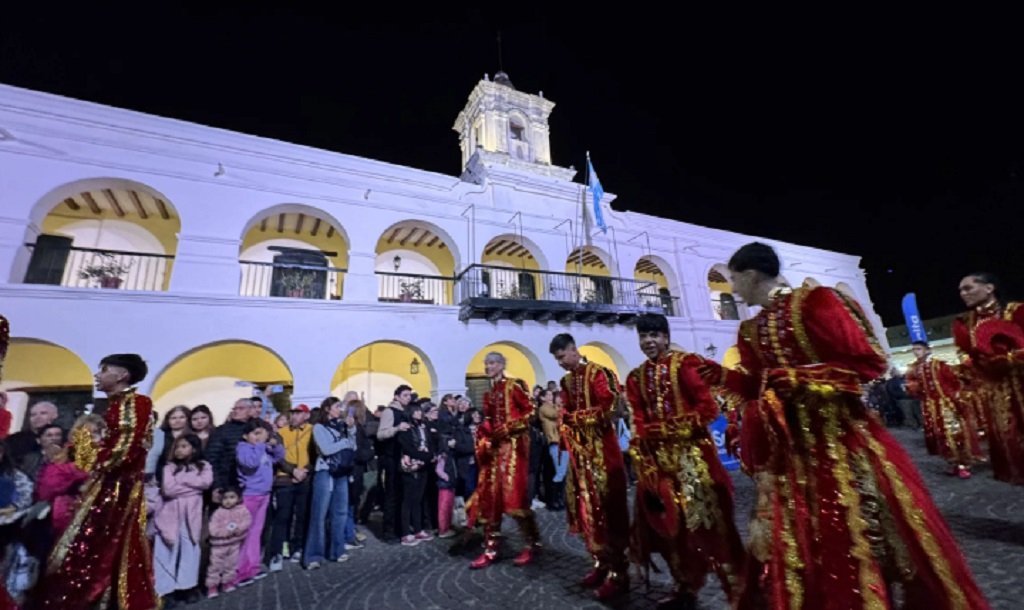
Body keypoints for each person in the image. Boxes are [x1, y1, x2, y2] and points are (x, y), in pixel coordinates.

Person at [726, 242, 989, 610]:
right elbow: (758, 386)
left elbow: (869, 364)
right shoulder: (751, 330)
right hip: (791, 454)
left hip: (842, 444)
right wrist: (721, 377)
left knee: (856, 535)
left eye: (734, 279)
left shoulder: (816, 302)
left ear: (751, 275)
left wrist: (804, 378)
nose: (733, 289)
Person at [625, 315, 746, 609]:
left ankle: (740, 593)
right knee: (671, 529)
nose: (648, 341)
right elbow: (639, 419)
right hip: (660, 468)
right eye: (643, 336)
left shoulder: (686, 364)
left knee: (712, 527)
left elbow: (707, 409)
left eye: (654, 335)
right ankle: (685, 586)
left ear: (666, 337)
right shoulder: (636, 377)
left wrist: (667, 429)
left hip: (694, 462)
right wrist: (642, 449)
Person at [37, 353, 160, 610]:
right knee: (96, 550)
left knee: (96, 549)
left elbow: (122, 452)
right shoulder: (117, 405)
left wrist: (89, 453)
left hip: (116, 492)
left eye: (104, 369)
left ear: (122, 375)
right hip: (108, 488)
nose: (98, 374)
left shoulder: (135, 403)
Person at [548, 333, 630, 600]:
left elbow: (612, 408)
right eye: (557, 359)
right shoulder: (566, 381)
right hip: (580, 457)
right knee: (586, 511)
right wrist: (567, 420)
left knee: (609, 511)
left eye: (562, 356)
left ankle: (619, 572)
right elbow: (564, 414)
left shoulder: (599, 373)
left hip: (603, 455)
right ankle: (599, 561)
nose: (560, 363)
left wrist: (575, 418)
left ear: (574, 350)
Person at [467, 352, 540, 569]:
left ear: (501, 364)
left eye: (492, 363)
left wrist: (508, 428)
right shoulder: (489, 394)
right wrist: (485, 436)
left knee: (515, 498)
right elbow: (488, 420)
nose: (488, 367)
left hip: (514, 451)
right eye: (486, 363)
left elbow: (531, 411)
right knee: (491, 499)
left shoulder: (514, 385)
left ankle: (531, 543)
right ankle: (491, 547)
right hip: (495, 452)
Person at [953, 272, 1024, 485]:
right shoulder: (965, 324)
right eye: (960, 291)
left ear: (989, 288)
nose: (963, 294)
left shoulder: (1016, 311)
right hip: (997, 395)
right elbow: (969, 360)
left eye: (968, 288)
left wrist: (1010, 358)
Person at [904, 341, 983, 477]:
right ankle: (953, 463)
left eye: (919, 349)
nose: (916, 352)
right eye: (914, 350)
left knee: (954, 433)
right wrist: (912, 388)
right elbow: (915, 389)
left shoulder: (940, 365)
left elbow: (956, 382)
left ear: (927, 350)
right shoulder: (915, 369)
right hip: (930, 408)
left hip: (946, 405)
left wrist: (955, 397)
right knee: (940, 436)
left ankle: (962, 464)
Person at [154, 434, 212, 606]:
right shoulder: (169, 467)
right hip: (170, 513)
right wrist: (192, 487)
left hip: (191, 514)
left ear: (193, 448)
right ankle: (164, 589)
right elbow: (169, 489)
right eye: (178, 446)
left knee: (190, 549)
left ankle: (186, 586)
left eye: (184, 446)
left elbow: (206, 482)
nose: (180, 450)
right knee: (166, 549)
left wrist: (183, 481)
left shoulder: (204, 466)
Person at [304, 396, 355, 569]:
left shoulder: (341, 427)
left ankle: (337, 549)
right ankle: (313, 555)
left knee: (340, 512)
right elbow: (326, 449)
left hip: (341, 472)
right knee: (319, 514)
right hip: (325, 471)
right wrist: (344, 442)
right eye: (337, 406)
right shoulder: (319, 427)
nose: (340, 409)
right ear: (327, 409)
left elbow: (352, 447)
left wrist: (351, 430)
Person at [267, 403, 312, 570]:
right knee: (282, 516)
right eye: (292, 413)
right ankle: (277, 552)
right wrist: (293, 471)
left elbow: (315, 454)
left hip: (305, 478)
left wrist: (305, 471)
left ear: (306, 416)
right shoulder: (280, 433)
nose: (294, 416)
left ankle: (297, 546)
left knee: (301, 515)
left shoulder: (312, 431)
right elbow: (278, 456)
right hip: (284, 479)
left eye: (298, 413)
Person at [375, 385, 412, 541]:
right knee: (391, 495)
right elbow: (381, 434)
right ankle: (388, 531)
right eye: (405, 395)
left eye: (409, 395)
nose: (408, 398)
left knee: (402, 494)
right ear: (396, 397)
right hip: (391, 458)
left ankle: (400, 527)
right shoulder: (390, 412)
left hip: (403, 457)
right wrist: (397, 429)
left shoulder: (406, 412)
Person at [205, 486, 251, 599]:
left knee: (231, 564)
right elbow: (213, 529)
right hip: (219, 545)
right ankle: (212, 586)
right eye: (225, 498)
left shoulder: (242, 510)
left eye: (232, 497)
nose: (228, 501)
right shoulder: (218, 513)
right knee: (215, 566)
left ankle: (227, 582)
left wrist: (238, 529)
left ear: (238, 498)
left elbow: (247, 521)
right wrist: (225, 532)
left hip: (234, 543)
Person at [398, 401, 433, 545]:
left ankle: (418, 529)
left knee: (418, 499)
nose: (419, 413)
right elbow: (407, 447)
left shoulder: (423, 427)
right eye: (416, 411)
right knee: (408, 500)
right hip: (411, 465)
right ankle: (405, 532)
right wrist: (425, 457)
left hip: (423, 465)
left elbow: (429, 443)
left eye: (420, 411)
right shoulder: (406, 429)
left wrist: (428, 455)